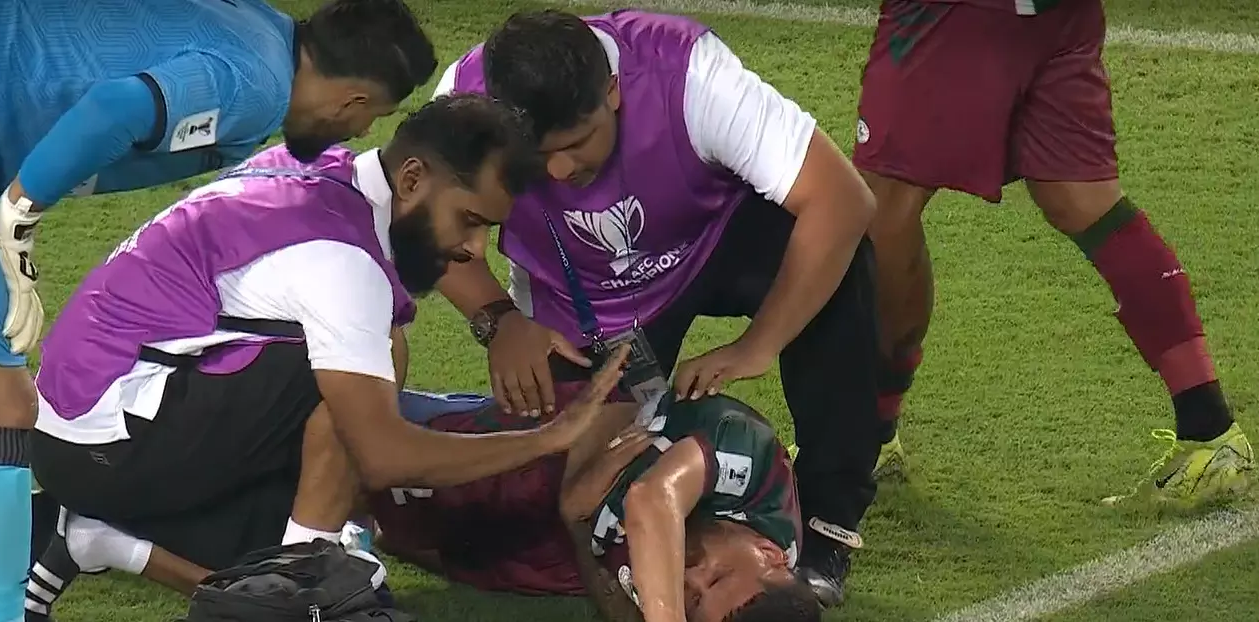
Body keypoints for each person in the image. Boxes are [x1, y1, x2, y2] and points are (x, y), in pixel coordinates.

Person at [0, 0, 434, 618]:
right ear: (354, 98)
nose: (361, 132)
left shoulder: (258, 28)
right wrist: (18, 219)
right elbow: (114, 109)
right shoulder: (260, 82)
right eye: (371, 115)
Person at [18, 94, 633, 620]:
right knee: (363, 376)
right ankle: (299, 579)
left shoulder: (320, 170)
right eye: (469, 221)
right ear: (412, 179)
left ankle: (100, 538)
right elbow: (384, 455)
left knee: (330, 521)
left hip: (96, 416)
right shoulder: (344, 263)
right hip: (108, 443)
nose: (474, 250)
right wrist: (548, 440)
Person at [431, 9, 881, 606]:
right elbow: (425, 225)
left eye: (576, 143)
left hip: (714, 241)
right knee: (558, 494)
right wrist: (500, 320)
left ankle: (827, 520)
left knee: (840, 268)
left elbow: (842, 200)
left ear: (613, 90)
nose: (560, 170)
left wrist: (760, 344)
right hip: (582, 300)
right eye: (538, 156)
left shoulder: (687, 75)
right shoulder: (464, 104)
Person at [852, 0, 1254, 500]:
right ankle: (1211, 432)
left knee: (882, 206)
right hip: (1059, 15)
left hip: (962, 13)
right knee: (1085, 200)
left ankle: (867, 435)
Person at [357, 390, 822, 622]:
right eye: (717, 576)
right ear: (770, 554)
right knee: (366, 442)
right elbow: (651, 499)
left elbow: (621, 607)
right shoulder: (754, 464)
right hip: (549, 454)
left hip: (557, 549)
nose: (690, 577)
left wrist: (576, 525)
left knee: (409, 538)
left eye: (694, 601)